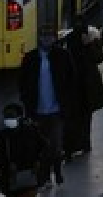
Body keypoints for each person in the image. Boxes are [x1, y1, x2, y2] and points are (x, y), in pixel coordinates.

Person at [17, 24, 78, 185]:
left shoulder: (63, 56)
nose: (46, 39)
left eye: (50, 36)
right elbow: (22, 83)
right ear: (39, 38)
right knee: (41, 148)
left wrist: (68, 103)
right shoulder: (30, 58)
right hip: (37, 112)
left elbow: (72, 80)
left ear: (55, 38)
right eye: (43, 36)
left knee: (56, 145)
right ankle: (44, 177)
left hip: (57, 111)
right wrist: (26, 102)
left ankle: (57, 172)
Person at [60, 15, 103, 159]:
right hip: (75, 84)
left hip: (88, 85)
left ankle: (85, 142)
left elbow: (99, 58)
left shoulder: (92, 39)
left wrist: (89, 44)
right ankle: (73, 145)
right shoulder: (69, 40)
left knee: (86, 115)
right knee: (75, 117)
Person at [0, 103, 48, 197]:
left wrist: (38, 161)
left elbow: (44, 147)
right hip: (11, 183)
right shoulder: (2, 136)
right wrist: (7, 165)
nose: (8, 120)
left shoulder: (31, 131)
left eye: (11, 117)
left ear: (20, 117)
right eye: (6, 117)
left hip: (30, 180)